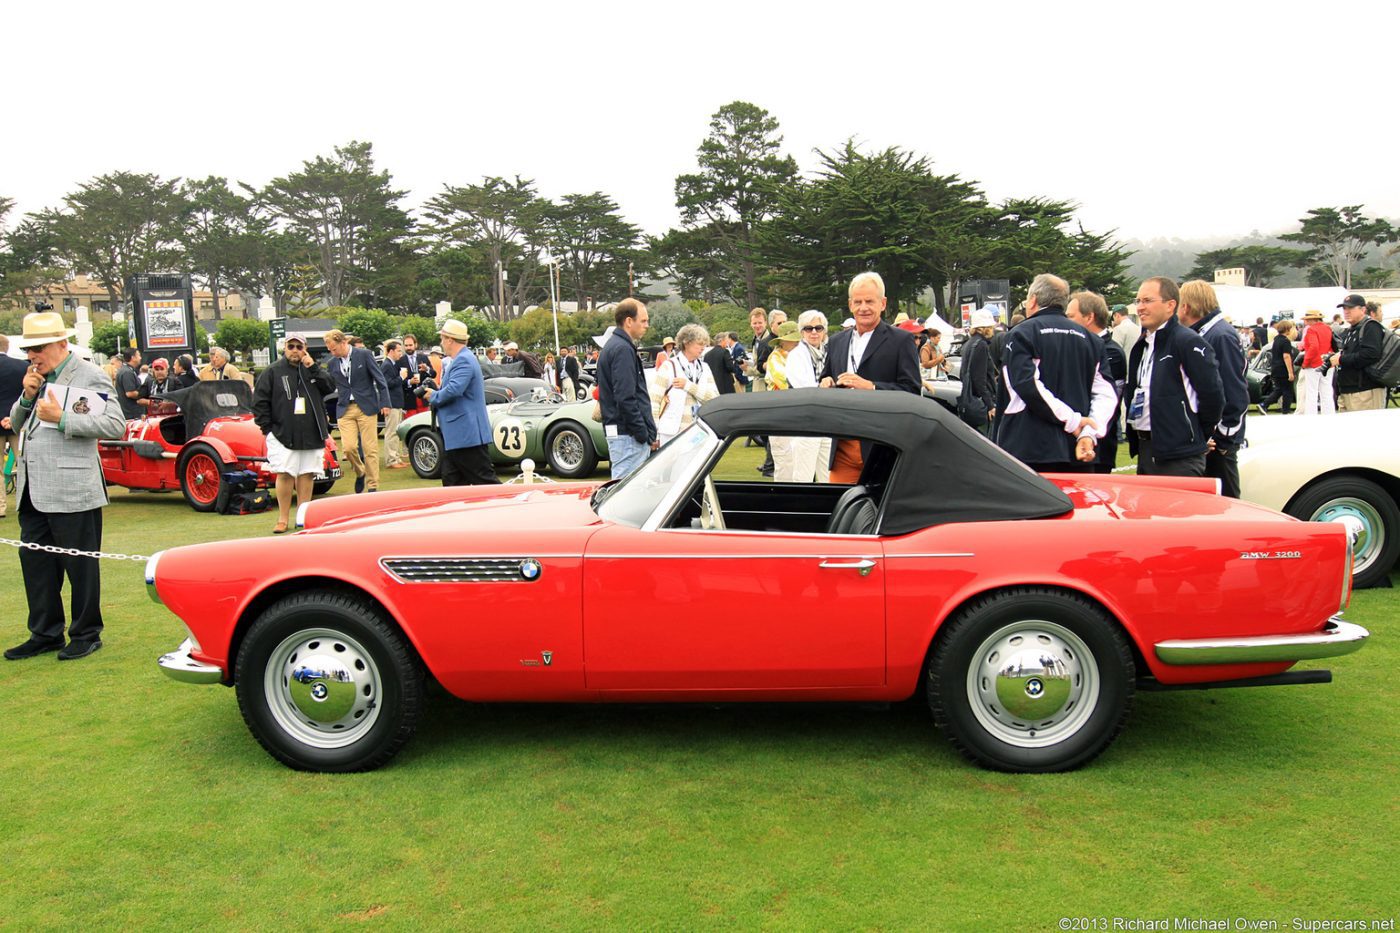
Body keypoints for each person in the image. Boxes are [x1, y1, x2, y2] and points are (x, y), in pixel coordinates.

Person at [4, 311, 125, 661]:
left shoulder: (88, 374)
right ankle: (45, 633)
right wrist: (26, 397)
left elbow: (115, 424)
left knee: (80, 567)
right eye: (29, 348)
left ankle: (87, 633)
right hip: (33, 490)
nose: (32, 355)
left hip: (74, 488)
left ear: (61, 343)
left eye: (38, 347)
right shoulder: (35, 377)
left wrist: (64, 419)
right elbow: (15, 422)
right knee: (37, 566)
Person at [997, 274, 1116, 473]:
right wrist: (1087, 432)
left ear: (1033, 299)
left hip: (1029, 450)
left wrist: (1075, 422)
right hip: (1078, 450)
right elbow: (1106, 394)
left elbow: (1026, 385)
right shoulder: (1092, 340)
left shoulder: (1021, 334)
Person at [819, 272, 921, 482]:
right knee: (840, 511)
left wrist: (872, 387)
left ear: (882, 303)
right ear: (850, 304)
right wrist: (825, 382)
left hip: (883, 448)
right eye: (858, 301)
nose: (863, 307)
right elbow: (826, 376)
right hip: (843, 448)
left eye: (869, 301)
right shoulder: (837, 341)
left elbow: (912, 391)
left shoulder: (902, 341)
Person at [1124, 277, 1225, 477]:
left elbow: (1213, 397)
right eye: (1138, 301)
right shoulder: (1144, 344)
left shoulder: (1186, 341)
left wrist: (1193, 434)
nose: (1140, 308)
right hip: (1147, 448)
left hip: (1179, 456)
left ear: (1170, 305)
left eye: (1147, 301)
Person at [252, 335, 334, 534]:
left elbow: (329, 387)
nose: (295, 350)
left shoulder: (312, 369)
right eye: (291, 346)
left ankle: (303, 517)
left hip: (311, 430)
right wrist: (268, 429)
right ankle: (283, 518)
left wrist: (313, 366)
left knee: (306, 474)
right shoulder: (272, 371)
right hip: (282, 432)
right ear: (285, 348)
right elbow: (259, 403)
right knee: (286, 474)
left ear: (305, 349)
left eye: (299, 346)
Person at [1178, 281, 1248, 497]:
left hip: (1220, 439)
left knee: (1225, 499)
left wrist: (1223, 435)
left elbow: (1233, 388)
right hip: (1211, 435)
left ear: (1187, 306)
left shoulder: (1220, 335)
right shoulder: (1209, 332)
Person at [423, 320, 497, 486]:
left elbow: (454, 390)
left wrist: (433, 395)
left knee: (485, 483)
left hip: (466, 434)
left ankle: (511, 509)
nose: (441, 343)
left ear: (450, 339)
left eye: (442, 338)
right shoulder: (462, 359)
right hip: (460, 435)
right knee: (452, 483)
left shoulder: (464, 360)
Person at [323, 328, 390, 493]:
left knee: (370, 449)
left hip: (366, 406)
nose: (332, 352)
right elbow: (329, 385)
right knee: (349, 448)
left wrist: (385, 402)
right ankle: (360, 472)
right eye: (330, 350)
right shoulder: (332, 363)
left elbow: (379, 379)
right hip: (344, 409)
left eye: (334, 349)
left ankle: (372, 486)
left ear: (344, 342)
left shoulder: (364, 354)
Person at [597, 298, 658, 479]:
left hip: (623, 433)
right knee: (624, 496)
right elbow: (625, 396)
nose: (647, 325)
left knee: (624, 492)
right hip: (628, 436)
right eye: (643, 320)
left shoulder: (615, 345)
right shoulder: (622, 348)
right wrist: (642, 433)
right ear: (629, 321)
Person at [649, 324, 718, 446]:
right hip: (671, 433)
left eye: (704, 344)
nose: (703, 347)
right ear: (686, 343)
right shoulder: (668, 366)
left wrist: (688, 385)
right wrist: (654, 432)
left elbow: (713, 399)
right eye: (699, 344)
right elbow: (654, 401)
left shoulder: (704, 368)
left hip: (699, 432)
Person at [784, 310, 832, 481]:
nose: (814, 332)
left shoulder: (830, 353)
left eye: (818, 328)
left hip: (828, 422)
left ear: (824, 331)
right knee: (803, 475)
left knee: (828, 476)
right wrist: (825, 386)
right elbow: (804, 389)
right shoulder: (796, 356)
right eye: (808, 328)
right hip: (805, 422)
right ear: (801, 331)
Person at [1331, 293, 1387, 411]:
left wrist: (1341, 359)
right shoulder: (1351, 330)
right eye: (1344, 308)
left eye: (1350, 308)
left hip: (1365, 391)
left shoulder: (1371, 327)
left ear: (1363, 309)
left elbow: (1370, 355)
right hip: (1348, 389)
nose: (1346, 311)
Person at [764, 321, 800, 480]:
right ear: (784, 341)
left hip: (794, 414)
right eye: (794, 339)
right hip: (779, 414)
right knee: (784, 462)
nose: (797, 342)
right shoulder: (775, 358)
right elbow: (786, 381)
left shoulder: (799, 355)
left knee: (796, 461)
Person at [958, 308, 1000, 439]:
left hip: (970, 401)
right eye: (991, 327)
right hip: (981, 404)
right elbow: (979, 380)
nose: (993, 329)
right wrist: (990, 405)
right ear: (985, 328)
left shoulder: (969, 344)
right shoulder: (981, 345)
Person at [0, 334, 29, 519]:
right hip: (18, 421)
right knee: (26, 464)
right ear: (7, 347)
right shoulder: (23, 366)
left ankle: (0, 507)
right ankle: (29, 502)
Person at [1298, 310, 1336, 416]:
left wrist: (1305, 362)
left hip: (1313, 364)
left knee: (1311, 392)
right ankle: (1329, 415)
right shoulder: (1328, 328)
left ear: (1312, 319)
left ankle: (1311, 416)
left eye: (1306, 319)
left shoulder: (1311, 330)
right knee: (1327, 391)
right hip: (1327, 362)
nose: (1305, 321)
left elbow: (1314, 347)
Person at [380, 339, 408, 469]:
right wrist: (401, 377)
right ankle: (391, 460)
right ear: (391, 351)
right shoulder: (386, 365)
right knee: (391, 432)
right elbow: (386, 384)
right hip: (391, 403)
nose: (400, 354)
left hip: (397, 403)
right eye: (398, 351)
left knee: (396, 432)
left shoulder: (392, 364)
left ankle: (396, 457)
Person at [1258, 320, 1297, 414]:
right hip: (1283, 369)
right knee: (1287, 390)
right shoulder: (1285, 341)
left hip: (1275, 368)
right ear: (1287, 330)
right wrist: (1290, 372)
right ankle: (1285, 410)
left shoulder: (1276, 340)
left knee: (1279, 389)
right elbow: (1286, 356)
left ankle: (1265, 405)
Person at [705, 331, 745, 395]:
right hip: (726, 385)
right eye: (726, 340)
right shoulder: (725, 352)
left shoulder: (707, 355)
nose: (727, 343)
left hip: (713, 385)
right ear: (722, 340)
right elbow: (730, 367)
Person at [114, 347, 144, 420]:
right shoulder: (127, 372)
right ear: (133, 357)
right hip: (131, 414)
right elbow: (130, 393)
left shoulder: (127, 370)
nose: (140, 358)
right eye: (139, 355)